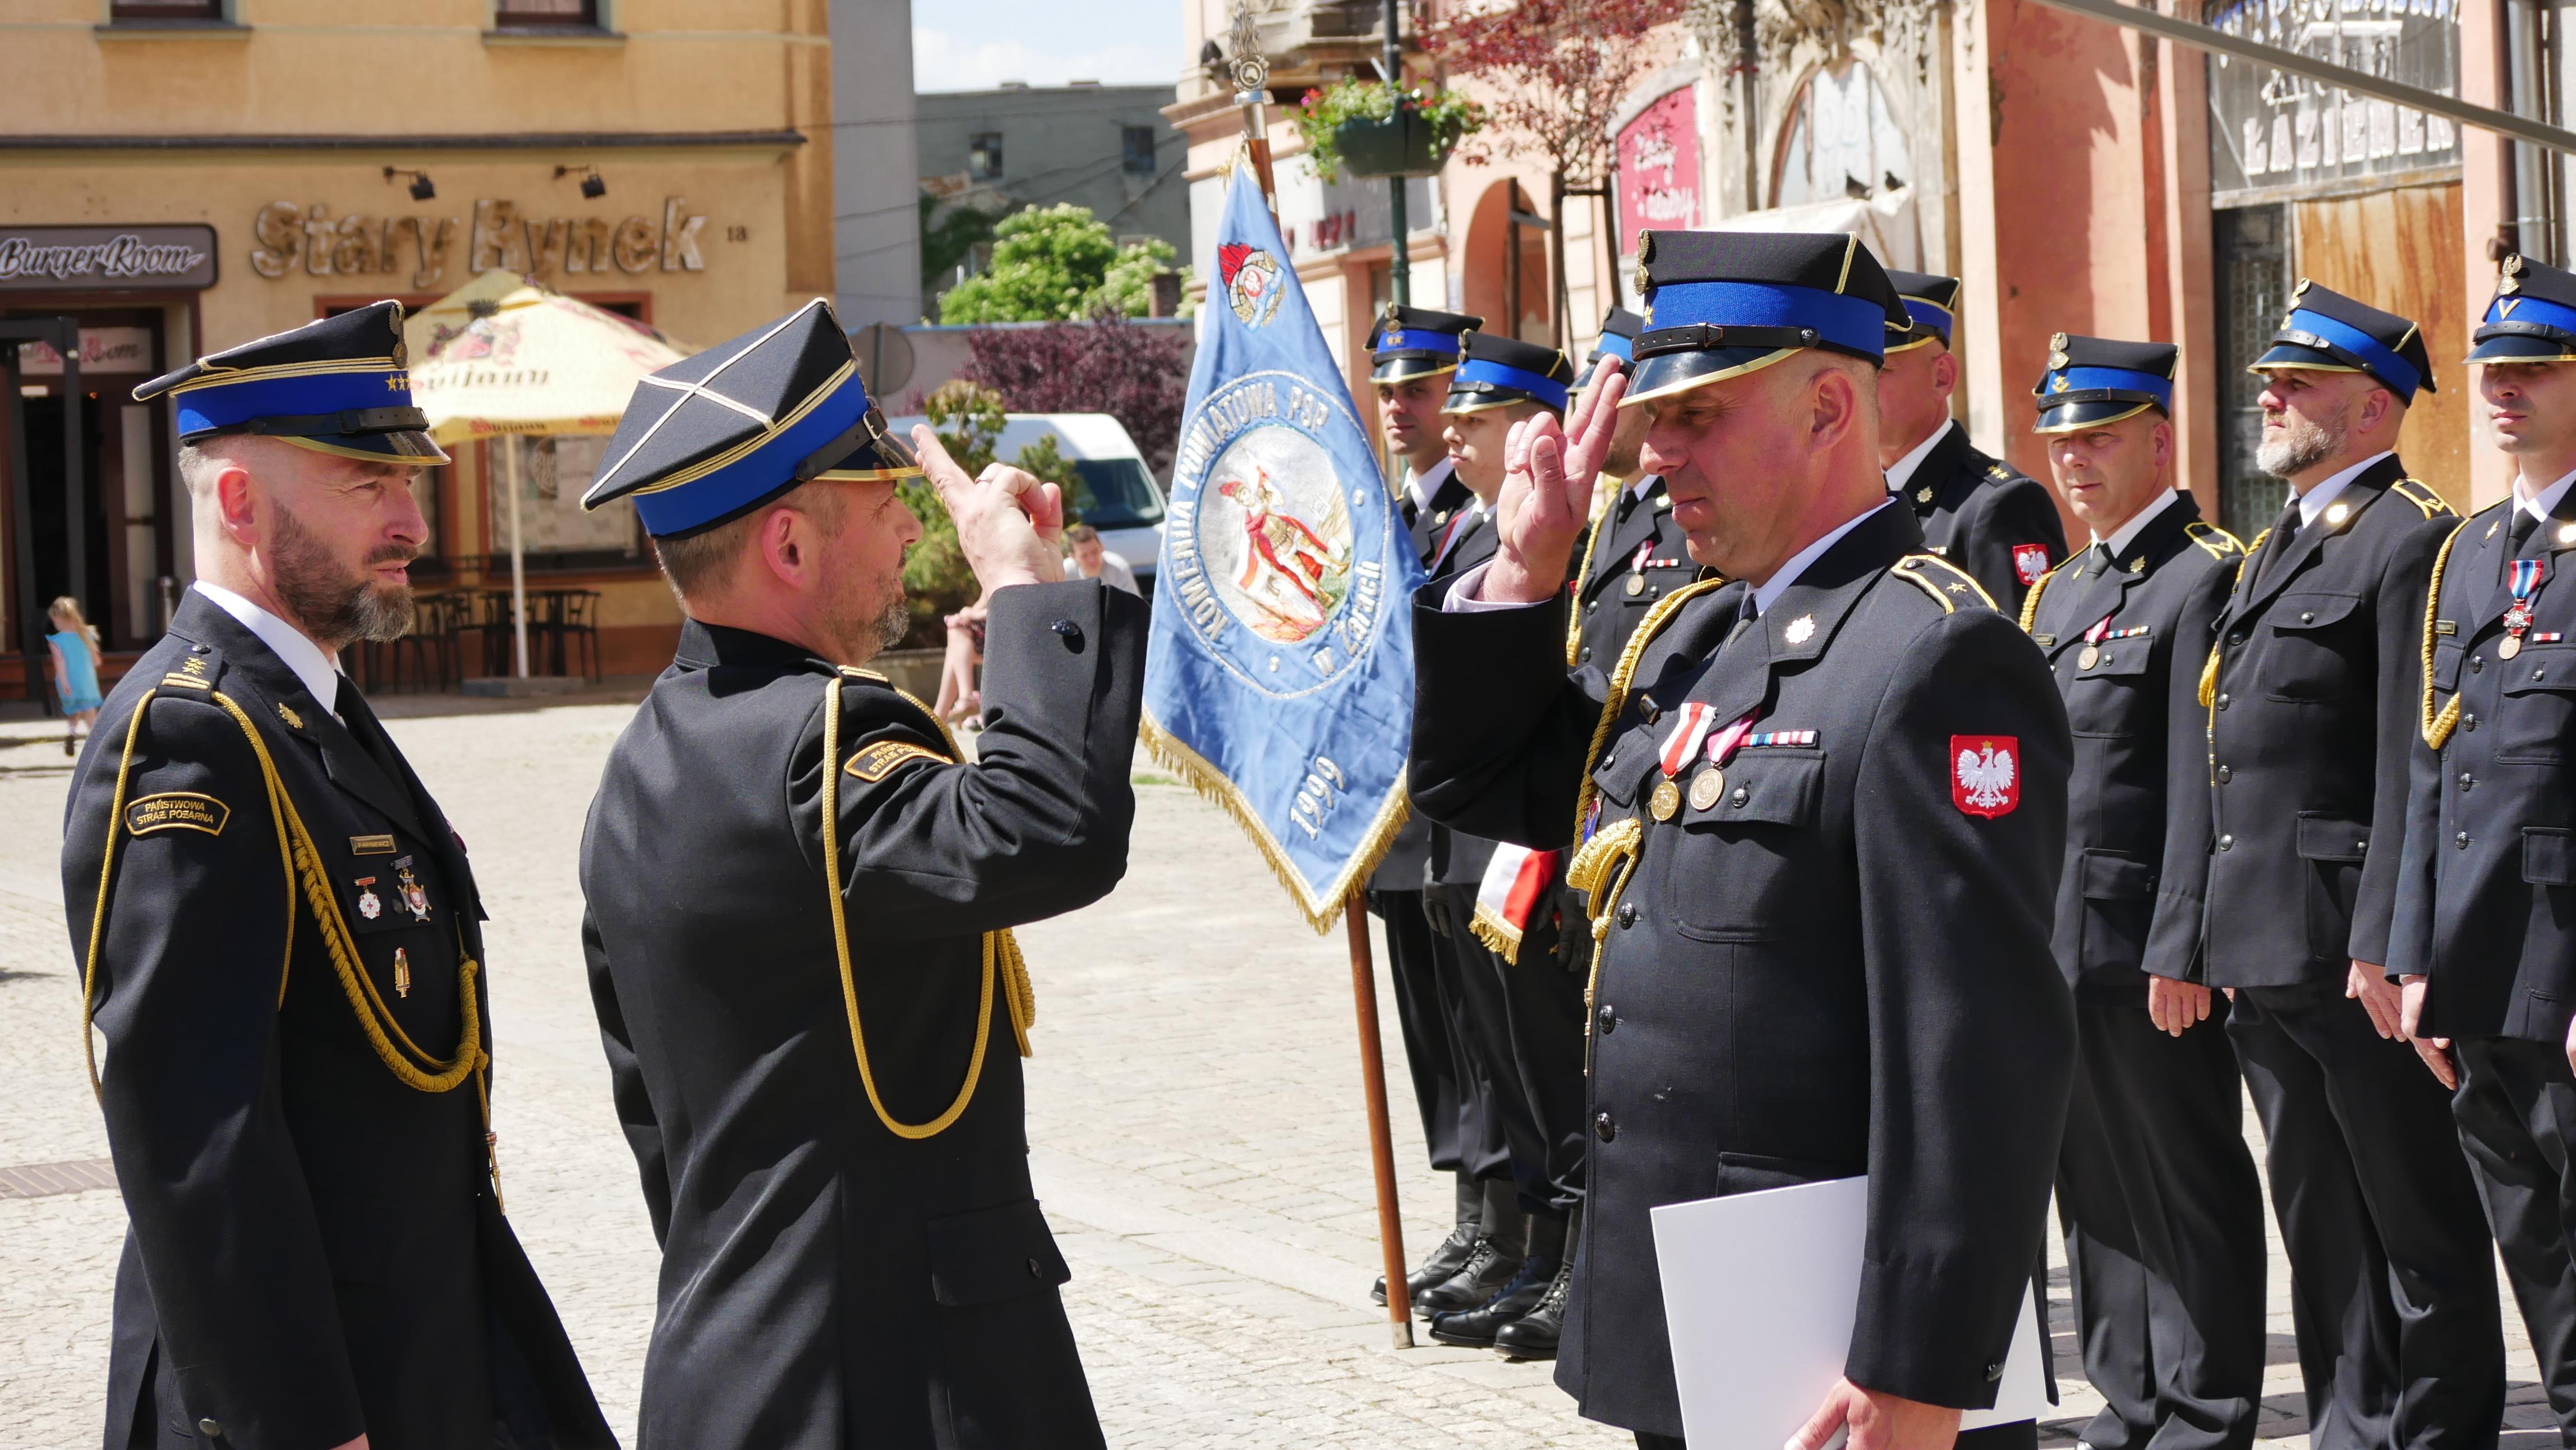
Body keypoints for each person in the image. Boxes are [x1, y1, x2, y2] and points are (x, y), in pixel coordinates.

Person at [1409, 229, 2073, 1450]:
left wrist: (1919, 1365)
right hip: (1697, 1304)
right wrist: (1526, 569)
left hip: (1833, 1341)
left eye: (1699, 415)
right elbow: (1475, 781)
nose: (1657, 451)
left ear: (1827, 407)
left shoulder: (1933, 652)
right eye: (1655, 417)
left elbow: (1974, 1053)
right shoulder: (1691, 635)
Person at [576, 299, 1146, 1450]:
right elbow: (1048, 831)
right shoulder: (823, 738)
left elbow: (662, 1134)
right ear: (789, 546)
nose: (908, 535)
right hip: (896, 1377)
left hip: (738, 1360)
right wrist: (1024, 588)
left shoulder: (642, 762)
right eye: (884, 505)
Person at [61, 301, 614, 1450]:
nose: (412, 520)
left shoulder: (309, 705)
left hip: (413, 1334)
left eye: (407, 481)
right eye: (367, 485)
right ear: (238, 500)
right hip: (310, 1387)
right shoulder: (191, 733)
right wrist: (302, 1422)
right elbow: (193, 1128)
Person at [2162, 281, 2503, 1450]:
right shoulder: (2279, 542)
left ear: (2371, 406)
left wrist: (2386, 939)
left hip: (2349, 944)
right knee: (2318, 1222)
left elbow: (2414, 753)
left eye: (2297, 383)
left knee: (2415, 1218)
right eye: (2271, 380)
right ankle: (2352, 1424)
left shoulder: (2410, 536)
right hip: (2264, 939)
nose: (2270, 397)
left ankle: (2438, 1427)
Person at [2018, 336, 2268, 1450]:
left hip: (2145, 942)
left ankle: (2205, 1405)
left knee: (2184, 1176)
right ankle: (2130, 1396)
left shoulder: (2202, 572)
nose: (2074, 460)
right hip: (2057, 939)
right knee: (2096, 1188)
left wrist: (2181, 943)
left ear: (2159, 441)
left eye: (2099, 439)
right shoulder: (2059, 591)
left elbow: (2198, 778)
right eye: (2061, 442)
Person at [1483, 305, 1697, 1366]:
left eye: (1617, 386)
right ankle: (1576, 1254)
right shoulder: (1610, 517)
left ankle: (1590, 1261)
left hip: (1661, 841)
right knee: (1570, 1070)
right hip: (1593, 831)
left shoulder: (1688, 521)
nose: (1593, 411)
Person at [2390, 251, 2576, 1440]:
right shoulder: (2466, 551)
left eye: (2534, 369)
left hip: (2562, 969)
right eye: (2491, 369)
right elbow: (2431, 763)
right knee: (2539, 1261)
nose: (2502, 388)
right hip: (2477, 970)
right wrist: (2417, 953)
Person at [1416, 331, 1583, 1347]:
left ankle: (1557, 1252)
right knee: (1494, 1065)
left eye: (1473, 419)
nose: (1451, 433)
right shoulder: (1460, 533)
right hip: (1474, 838)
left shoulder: (1561, 532)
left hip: (1535, 843)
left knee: (1553, 1068)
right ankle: (1521, 1241)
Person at [1360, 301, 1491, 1313]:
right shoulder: (1392, 519)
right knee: (1436, 1045)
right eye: (1389, 391)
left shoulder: (1478, 519)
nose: (1400, 408)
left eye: (1419, 387)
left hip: (1469, 824)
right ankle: (1473, 1217)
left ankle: (1509, 1223)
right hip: (1401, 828)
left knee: (1486, 1041)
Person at [1879, 270, 2067, 610]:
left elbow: (2019, 642)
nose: (1859, 389)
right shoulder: (1855, 501)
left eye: (1881, 371)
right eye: (1852, 374)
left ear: (1942, 377)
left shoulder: (2000, 505)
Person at [48, 594, 104, 755]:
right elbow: (96, 661)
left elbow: (59, 664)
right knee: (90, 713)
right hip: (86, 681)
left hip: (68, 682)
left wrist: (64, 683)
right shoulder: (86, 635)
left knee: (74, 712)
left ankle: (72, 733)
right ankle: (97, 744)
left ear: (58, 619)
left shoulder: (56, 641)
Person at [1066, 522, 1140, 595]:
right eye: (1084, 556)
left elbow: (1134, 601)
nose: (1092, 559)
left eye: (1095, 552)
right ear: (1073, 557)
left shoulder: (1119, 568)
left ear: (1102, 547)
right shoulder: (1065, 572)